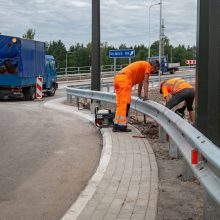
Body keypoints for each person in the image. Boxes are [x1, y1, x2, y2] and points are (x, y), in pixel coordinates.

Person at [113, 60, 160, 132]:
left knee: (120, 104)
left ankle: (116, 125)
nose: (153, 72)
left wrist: (139, 95)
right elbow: (146, 82)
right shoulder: (147, 65)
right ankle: (122, 126)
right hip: (125, 80)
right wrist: (146, 96)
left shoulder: (142, 67)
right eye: (155, 69)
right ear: (154, 66)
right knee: (125, 104)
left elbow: (141, 83)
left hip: (118, 78)